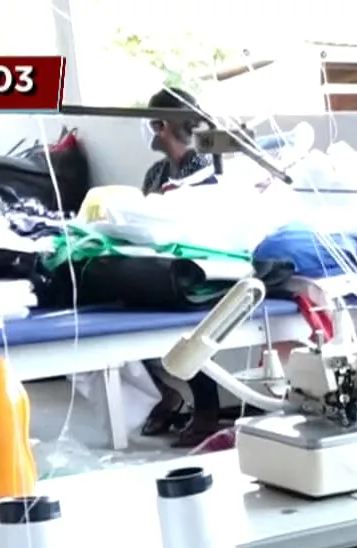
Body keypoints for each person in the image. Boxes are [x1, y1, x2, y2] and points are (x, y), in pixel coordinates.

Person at [139, 86, 235, 446]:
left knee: (186, 317)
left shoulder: (207, 165)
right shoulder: (155, 173)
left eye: (152, 123)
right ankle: (167, 394)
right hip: (163, 258)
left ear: (162, 125)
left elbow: (211, 221)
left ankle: (207, 409)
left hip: (203, 262)